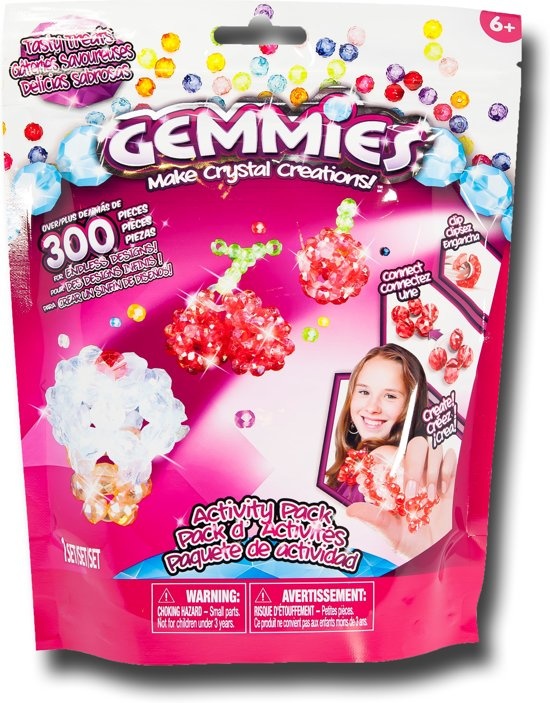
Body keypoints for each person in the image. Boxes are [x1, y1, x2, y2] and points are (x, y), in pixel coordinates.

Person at [325, 343, 456, 555]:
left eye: (390, 396)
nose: (372, 407)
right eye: (364, 391)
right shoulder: (353, 464)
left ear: (411, 406)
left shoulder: (382, 461)